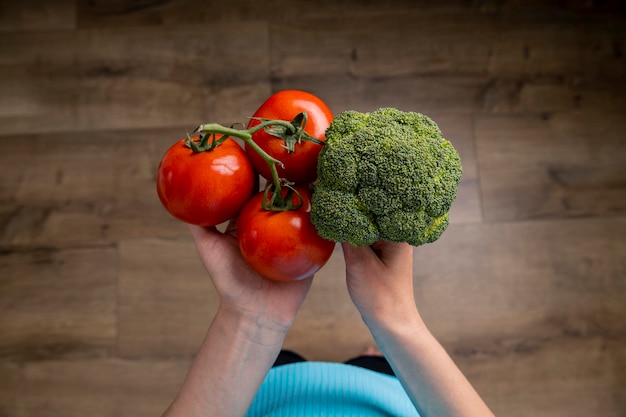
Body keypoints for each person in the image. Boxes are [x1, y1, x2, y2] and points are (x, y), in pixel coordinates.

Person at [161, 220, 495, 417]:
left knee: (281, 360)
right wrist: (397, 323)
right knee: (375, 365)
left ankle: (336, 360)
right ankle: (372, 361)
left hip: (262, 396)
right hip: (389, 397)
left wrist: (251, 322)